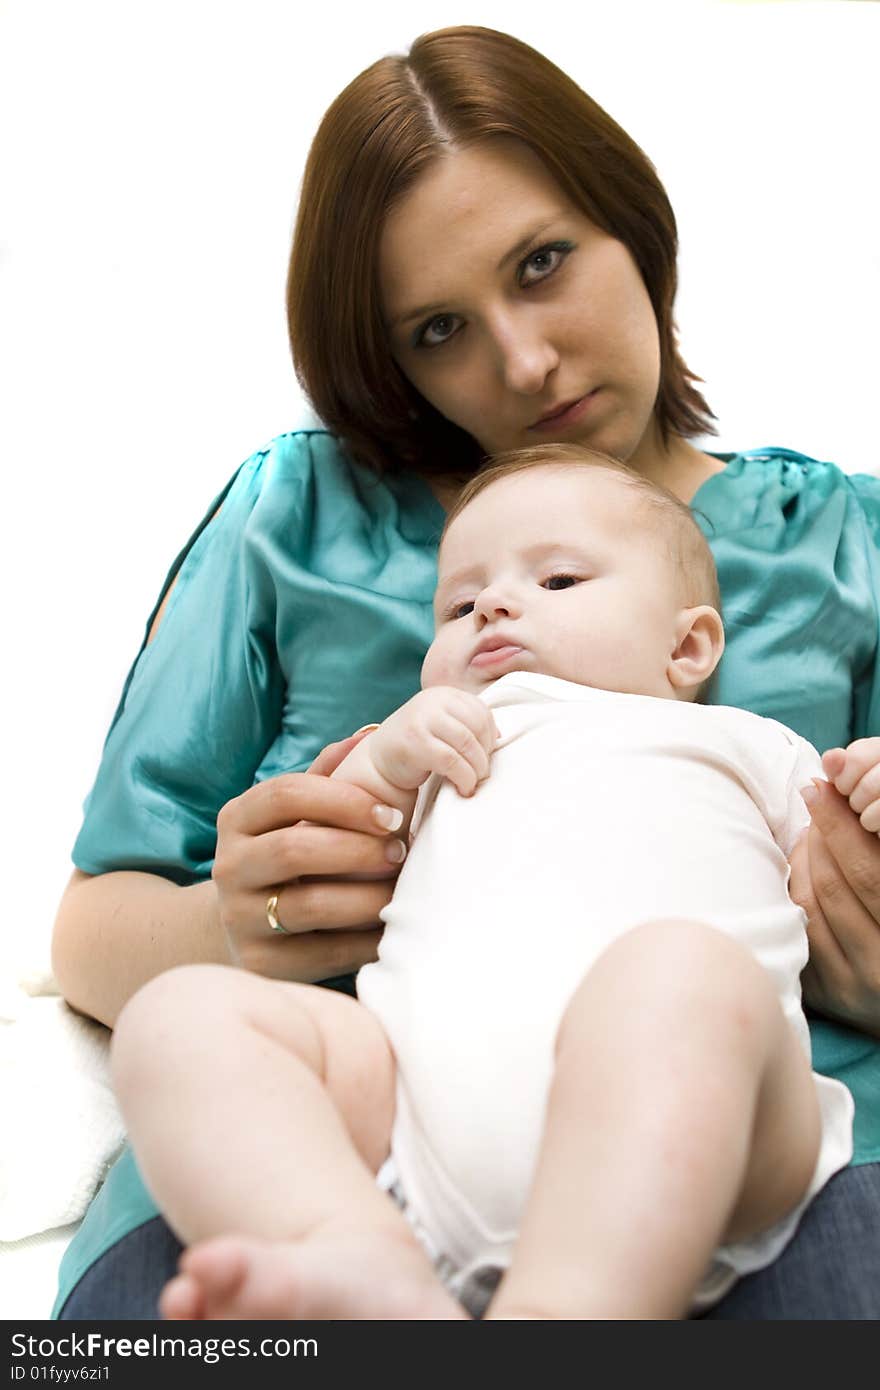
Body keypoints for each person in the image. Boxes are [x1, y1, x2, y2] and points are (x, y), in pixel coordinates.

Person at [51, 26, 880, 1320]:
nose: (524, 361)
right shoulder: (293, 517)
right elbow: (91, 928)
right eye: (439, 329)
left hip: (779, 1194)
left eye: (544, 265)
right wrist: (244, 925)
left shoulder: (849, 545)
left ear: (636, 222)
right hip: (337, 1159)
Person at [110, 447, 858, 1320]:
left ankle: (568, 1309)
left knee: (682, 971)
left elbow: (835, 875)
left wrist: (868, 801)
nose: (495, 605)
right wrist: (383, 764)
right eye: (459, 605)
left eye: (561, 580)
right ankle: (360, 1259)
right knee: (181, 1016)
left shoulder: (748, 742)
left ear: (687, 646)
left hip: (702, 1125)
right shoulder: (427, 741)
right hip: (417, 1126)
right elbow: (335, 850)